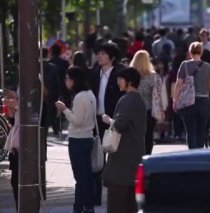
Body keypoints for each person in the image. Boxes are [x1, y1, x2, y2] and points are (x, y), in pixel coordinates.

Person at [101, 67, 147, 213]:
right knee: (131, 204)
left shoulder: (127, 100)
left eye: (121, 79)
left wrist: (108, 120)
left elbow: (120, 124)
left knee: (117, 203)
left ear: (130, 82)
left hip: (122, 159)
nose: (118, 82)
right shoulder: (139, 100)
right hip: (134, 155)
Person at [55, 66, 96, 213]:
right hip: (88, 138)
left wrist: (64, 109)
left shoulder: (79, 97)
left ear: (73, 80)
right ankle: (86, 205)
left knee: (80, 176)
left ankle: (80, 206)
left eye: (67, 78)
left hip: (77, 139)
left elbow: (77, 121)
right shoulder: (90, 94)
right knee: (85, 174)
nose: (66, 81)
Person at [89, 42, 124, 206]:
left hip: (113, 120)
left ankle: (116, 193)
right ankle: (95, 196)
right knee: (97, 158)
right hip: (97, 120)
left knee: (116, 155)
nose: (99, 56)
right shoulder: (95, 73)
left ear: (112, 57)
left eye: (103, 53)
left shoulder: (120, 73)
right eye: (99, 53)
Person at [173, 42, 210, 149]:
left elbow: (179, 84)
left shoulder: (184, 65)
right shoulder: (208, 67)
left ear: (190, 52)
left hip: (188, 102)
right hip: (204, 101)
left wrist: (175, 100)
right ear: (201, 52)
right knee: (201, 131)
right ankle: (199, 155)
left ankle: (191, 155)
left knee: (191, 131)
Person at [130, 50, 164, 154]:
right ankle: (146, 158)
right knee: (148, 136)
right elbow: (158, 95)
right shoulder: (154, 77)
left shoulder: (130, 76)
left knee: (135, 137)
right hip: (149, 111)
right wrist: (161, 110)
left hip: (133, 110)